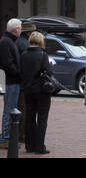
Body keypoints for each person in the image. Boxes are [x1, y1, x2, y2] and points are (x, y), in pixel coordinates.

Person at [20, 31, 53, 155]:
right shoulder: (42, 54)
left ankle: (30, 145)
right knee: (42, 118)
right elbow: (48, 72)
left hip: (28, 90)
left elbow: (21, 71)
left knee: (29, 117)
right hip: (41, 91)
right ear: (40, 41)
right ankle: (40, 147)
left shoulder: (23, 54)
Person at [0, 18, 22, 149]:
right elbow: (8, 64)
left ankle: (7, 137)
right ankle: (6, 138)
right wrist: (19, 75)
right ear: (16, 29)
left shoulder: (8, 41)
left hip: (12, 80)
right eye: (20, 27)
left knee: (10, 108)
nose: (21, 29)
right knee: (10, 109)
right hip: (11, 81)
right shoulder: (6, 42)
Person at [16, 22, 37, 143]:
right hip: (24, 83)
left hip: (17, 81)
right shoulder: (25, 45)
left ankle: (17, 133)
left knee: (18, 107)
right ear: (29, 33)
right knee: (23, 108)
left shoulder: (17, 41)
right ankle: (21, 135)